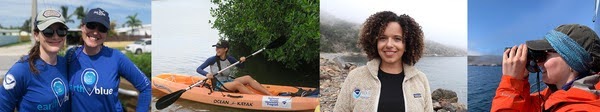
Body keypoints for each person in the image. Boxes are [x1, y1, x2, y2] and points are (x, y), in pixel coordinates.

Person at [333, 11, 433, 112]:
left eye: (397, 39)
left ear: (407, 45)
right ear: (374, 43)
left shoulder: (420, 79)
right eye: (382, 38)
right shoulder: (355, 76)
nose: (389, 44)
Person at [491, 24, 600, 111]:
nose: (538, 63)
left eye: (544, 55)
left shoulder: (582, 108)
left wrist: (511, 84)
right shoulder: (556, 94)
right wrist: (520, 81)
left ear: (572, 61)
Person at [66, 8, 151, 111]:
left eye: (102, 28)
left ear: (106, 33)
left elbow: (146, 87)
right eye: (91, 26)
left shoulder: (116, 57)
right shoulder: (71, 55)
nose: (96, 32)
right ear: (82, 27)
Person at [0, 9, 70, 111]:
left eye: (61, 31)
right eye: (48, 31)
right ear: (36, 35)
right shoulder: (21, 70)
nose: (56, 36)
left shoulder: (65, 64)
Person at [196, 40, 273, 95]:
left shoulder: (230, 59)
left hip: (228, 80)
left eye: (219, 48)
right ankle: (257, 98)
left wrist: (243, 60)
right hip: (218, 84)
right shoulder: (212, 60)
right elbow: (199, 69)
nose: (217, 49)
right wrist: (206, 74)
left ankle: (269, 94)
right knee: (237, 84)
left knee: (248, 77)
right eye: (216, 47)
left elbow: (242, 67)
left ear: (225, 49)